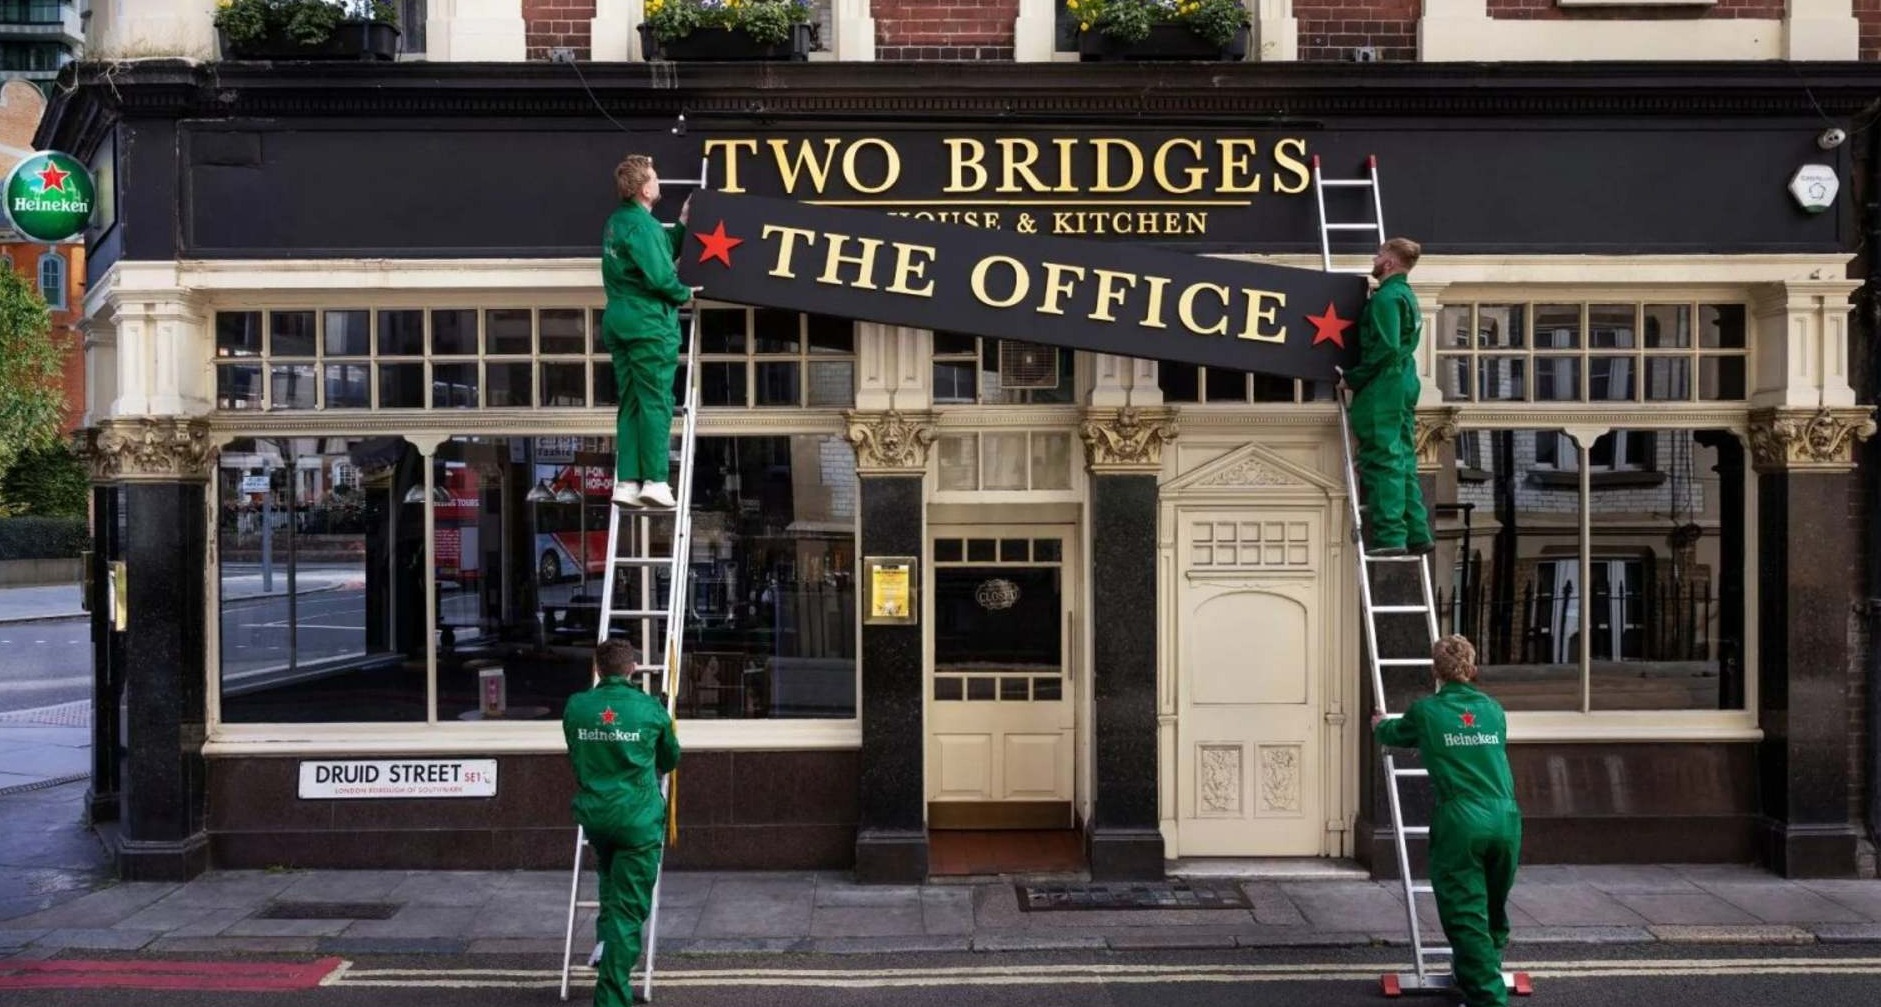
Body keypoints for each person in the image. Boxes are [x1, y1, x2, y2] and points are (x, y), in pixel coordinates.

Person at [1371, 635, 1522, 1007]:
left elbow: (1395, 733)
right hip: (1506, 817)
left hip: (1462, 818)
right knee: (1493, 902)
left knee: (1465, 911)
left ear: (1435, 671)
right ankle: (1480, 966)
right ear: (1473, 669)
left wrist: (1379, 724)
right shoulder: (1493, 710)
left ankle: (1488, 998)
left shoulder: (1426, 712)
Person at [563, 638, 682, 1007]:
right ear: (632, 669)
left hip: (597, 817)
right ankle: (612, 996)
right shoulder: (650, 709)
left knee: (609, 881)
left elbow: (578, 754)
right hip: (637, 819)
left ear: (598, 669)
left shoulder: (577, 707)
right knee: (629, 912)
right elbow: (670, 757)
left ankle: (605, 944)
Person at [603, 154, 700, 509]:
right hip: (648, 324)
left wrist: (683, 225)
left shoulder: (618, 222)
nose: (659, 183)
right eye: (656, 179)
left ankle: (627, 481)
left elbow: (656, 252)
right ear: (646, 188)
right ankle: (657, 480)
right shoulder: (643, 227)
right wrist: (683, 293)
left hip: (619, 320)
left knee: (629, 402)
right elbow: (660, 276)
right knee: (657, 402)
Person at [1340, 237, 1431, 557]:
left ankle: (1391, 535)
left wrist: (1352, 378)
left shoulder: (1386, 299)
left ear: (1390, 263)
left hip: (1384, 386)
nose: (1375, 259)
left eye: (1379, 254)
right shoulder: (1407, 295)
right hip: (1404, 380)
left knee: (1382, 459)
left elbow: (1386, 347)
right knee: (1404, 459)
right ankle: (1417, 531)